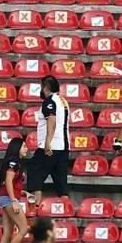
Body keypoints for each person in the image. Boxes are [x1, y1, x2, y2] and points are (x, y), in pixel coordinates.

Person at [26, 75, 70, 207]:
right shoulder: (63, 101)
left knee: (35, 172)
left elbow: (52, 119)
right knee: (61, 182)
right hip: (64, 147)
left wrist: (47, 142)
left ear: (45, 87)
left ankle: (36, 205)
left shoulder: (49, 101)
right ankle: (65, 208)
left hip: (52, 146)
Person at [0, 138, 29, 243]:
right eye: (24, 146)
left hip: (5, 197)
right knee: (24, 229)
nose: (27, 149)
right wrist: (14, 200)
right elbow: (8, 180)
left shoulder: (12, 161)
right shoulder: (14, 163)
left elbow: (12, 183)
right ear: (17, 148)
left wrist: (23, 193)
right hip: (9, 199)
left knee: (8, 232)